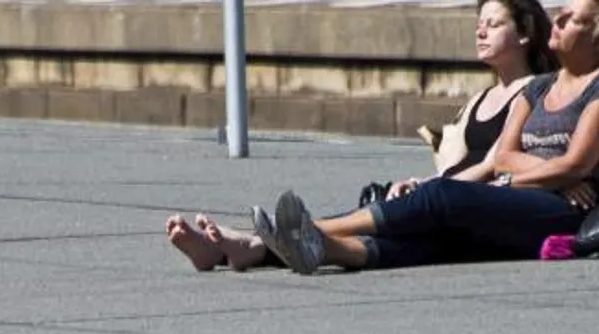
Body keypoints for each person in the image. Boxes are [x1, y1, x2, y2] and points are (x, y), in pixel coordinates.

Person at [252, 0, 599, 274]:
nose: (558, 19)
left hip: (562, 212)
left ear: (598, 37)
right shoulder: (539, 87)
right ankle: (306, 248)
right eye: (560, 14)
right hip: (529, 193)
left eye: (572, 19)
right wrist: (549, 172)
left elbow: (576, 162)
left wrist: (539, 175)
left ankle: (311, 232)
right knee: (437, 237)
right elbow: (503, 155)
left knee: (440, 197)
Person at [165, 0, 557, 272]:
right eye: (479, 22)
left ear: (524, 35)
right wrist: (421, 183)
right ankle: (229, 252)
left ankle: (253, 246)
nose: (480, 30)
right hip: (451, 192)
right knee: (402, 232)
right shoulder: (483, 98)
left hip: (483, 201)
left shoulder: (535, 90)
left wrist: (435, 189)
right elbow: (458, 163)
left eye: (494, 23)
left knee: (407, 232)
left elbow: (494, 163)